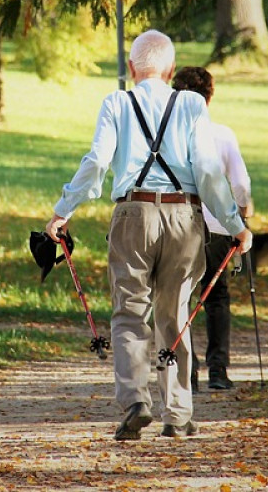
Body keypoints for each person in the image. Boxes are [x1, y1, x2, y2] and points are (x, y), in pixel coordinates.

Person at [45, 30, 253, 441]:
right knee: (175, 315)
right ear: (171, 70)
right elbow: (209, 174)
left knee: (128, 311)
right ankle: (178, 414)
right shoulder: (192, 104)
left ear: (131, 69)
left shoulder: (117, 102)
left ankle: (136, 402)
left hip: (132, 214)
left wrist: (62, 211)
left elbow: (97, 162)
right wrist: (235, 225)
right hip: (183, 216)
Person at [171, 66, 251, 393]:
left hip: (180, 224)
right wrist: (243, 213)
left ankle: (186, 373)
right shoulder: (222, 134)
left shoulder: (170, 136)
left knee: (181, 296)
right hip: (218, 226)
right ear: (209, 97)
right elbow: (241, 183)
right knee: (217, 297)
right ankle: (218, 370)